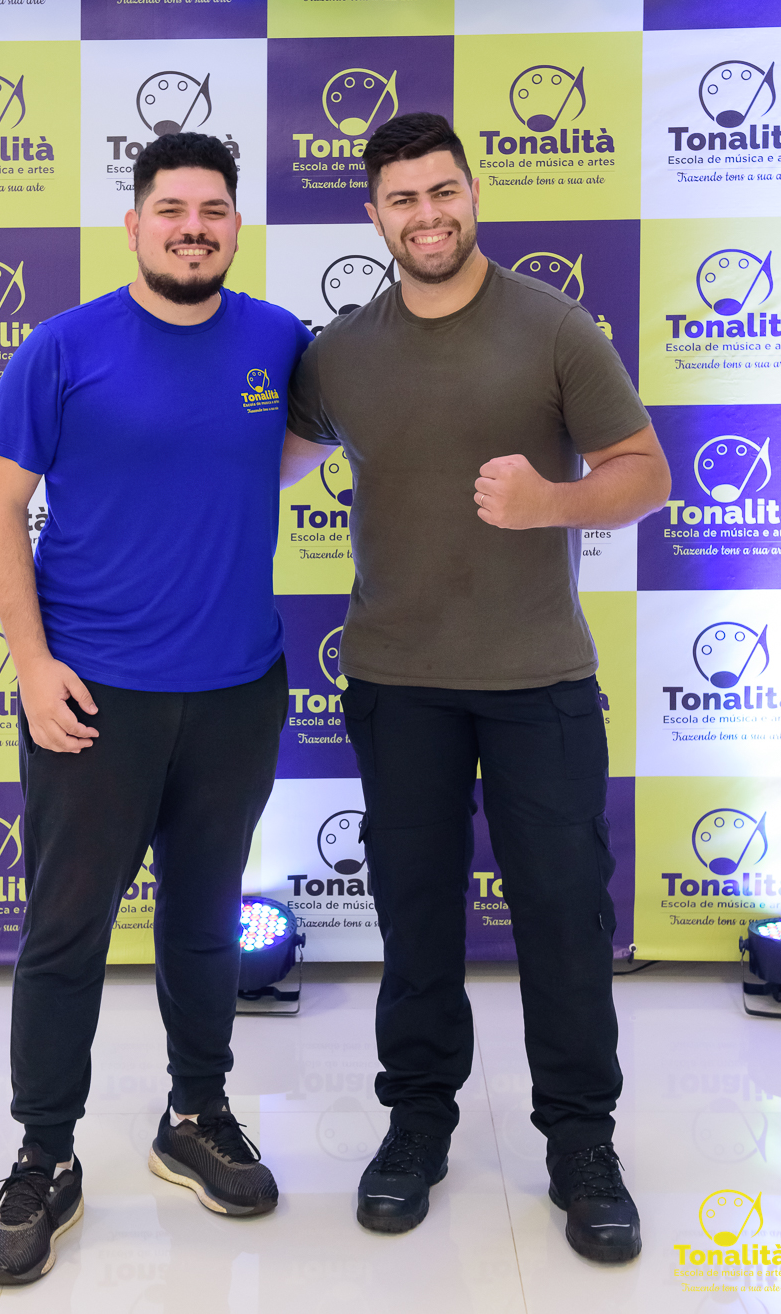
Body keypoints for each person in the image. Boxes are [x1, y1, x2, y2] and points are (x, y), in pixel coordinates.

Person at [285, 113, 671, 1261]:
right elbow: (268, 463)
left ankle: (580, 1142)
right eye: (402, 199)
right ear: (373, 216)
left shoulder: (554, 327)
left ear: (471, 193)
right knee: (413, 915)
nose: (426, 214)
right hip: (395, 681)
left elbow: (643, 472)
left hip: (537, 678)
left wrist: (551, 501)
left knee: (562, 915)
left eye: (441, 191)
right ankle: (416, 1123)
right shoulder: (338, 352)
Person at [0, 132, 321, 1285]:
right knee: (64, 932)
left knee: (206, 919)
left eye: (212, 210)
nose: (192, 228)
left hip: (235, 689)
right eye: (170, 209)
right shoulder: (61, 348)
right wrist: (31, 664)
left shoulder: (277, 341)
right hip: (93, 696)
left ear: (235, 226)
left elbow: (280, 454)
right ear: (134, 225)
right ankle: (44, 1155)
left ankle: (195, 1114)